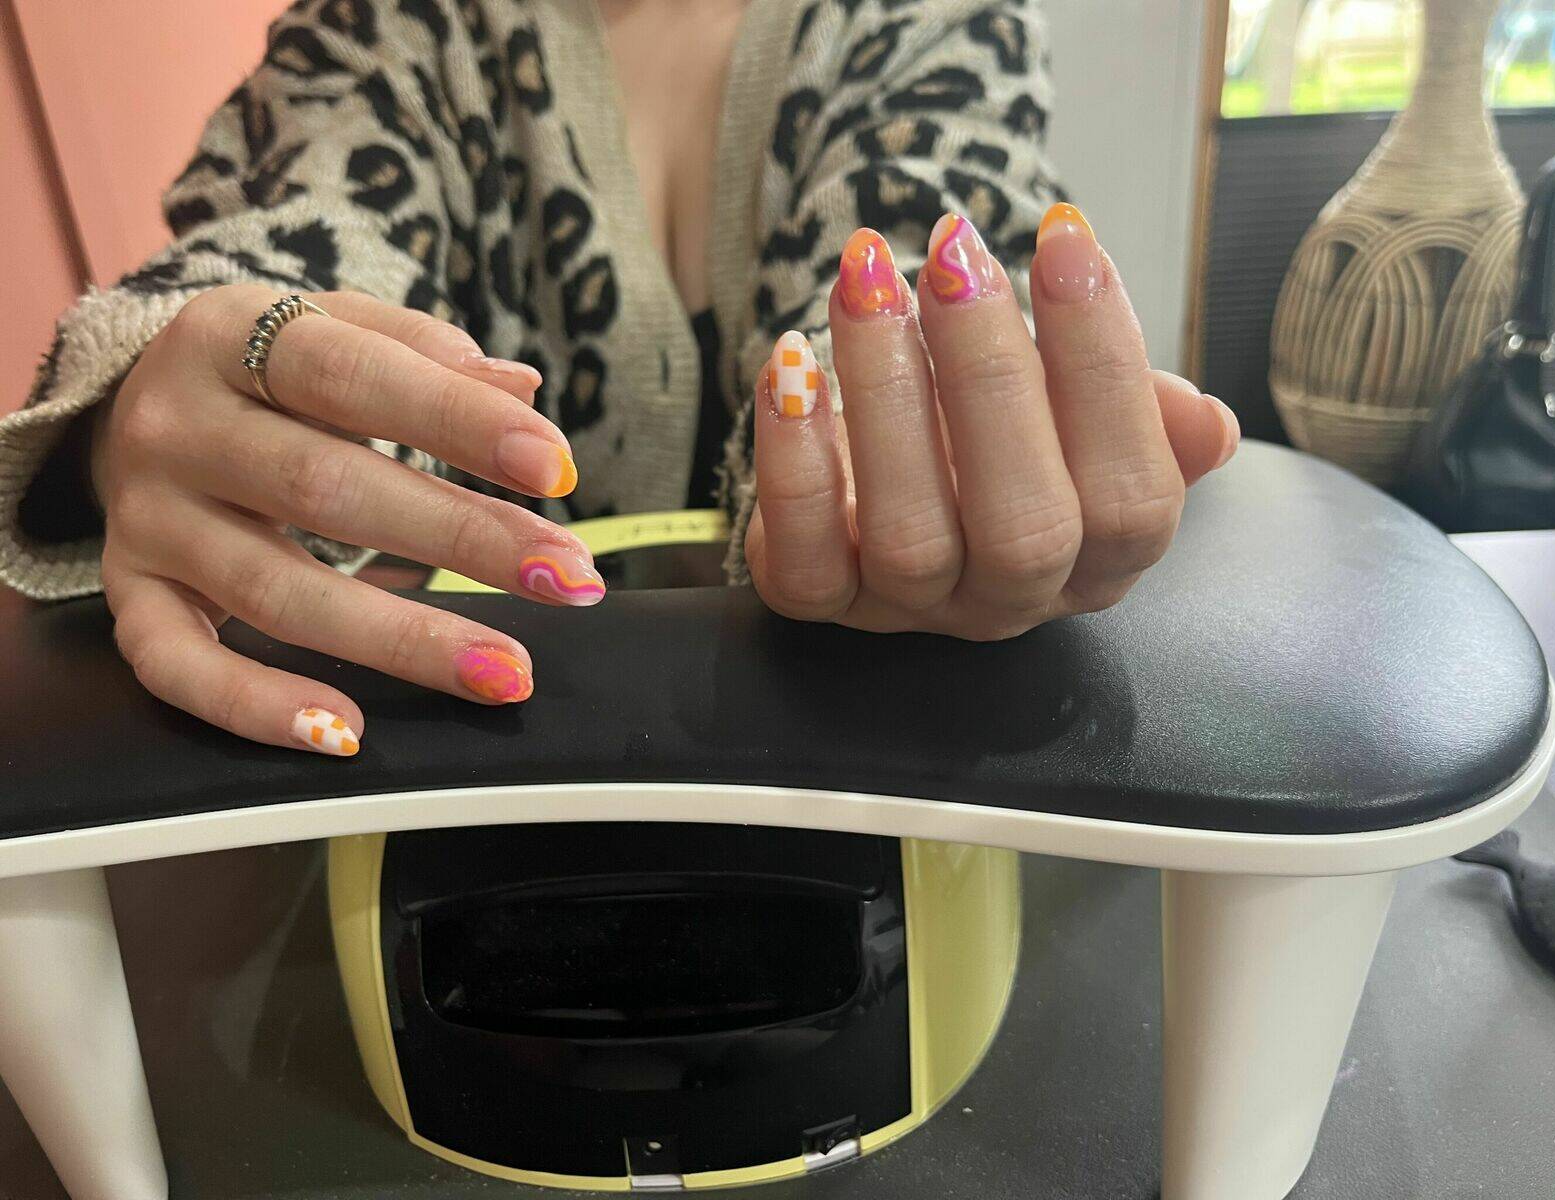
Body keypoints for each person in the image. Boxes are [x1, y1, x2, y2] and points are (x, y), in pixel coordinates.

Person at [0, 0, 1238, 756]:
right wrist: (154, 404)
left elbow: (922, 229)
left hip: (885, 792)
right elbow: (292, 241)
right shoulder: (386, 31)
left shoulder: (928, 21)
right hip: (448, 798)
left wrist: (917, 437)